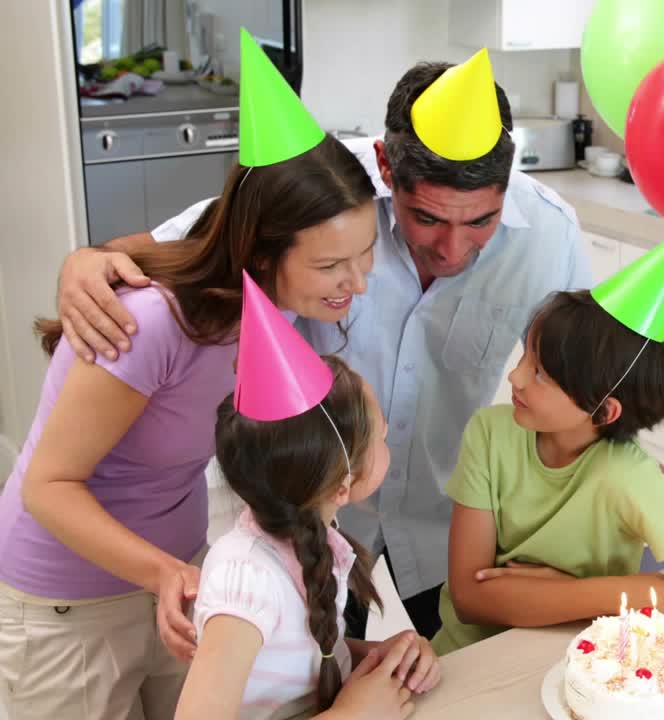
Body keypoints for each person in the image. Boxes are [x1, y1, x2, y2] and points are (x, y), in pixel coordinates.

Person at [54, 49, 591, 641]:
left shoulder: (549, 234)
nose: (454, 250)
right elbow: (182, 247)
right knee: (310, 668)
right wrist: (85, 261)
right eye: (429, 219)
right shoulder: (327, 194)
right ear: (386, 166)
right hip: (306, 521)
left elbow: (581, 381)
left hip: (442, 521)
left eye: (482, 222)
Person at [0, 31, 377, 720]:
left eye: (365, 253)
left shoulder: (274, 306)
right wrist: (162, 571)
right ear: (262, 249)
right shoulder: (150, 325)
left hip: (174, 581)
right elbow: (46, 487)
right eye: (330, 266)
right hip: (69, 601)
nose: (355, 282)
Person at [433, 225, 664, 655]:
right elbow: (471, 601)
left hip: (574, 662)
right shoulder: (489, 434)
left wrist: (573, 591)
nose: (515, 376)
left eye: (540, 372)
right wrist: (629, 595)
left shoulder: (632, 477)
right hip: (468, 656)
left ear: (603, 411)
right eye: (525, 356)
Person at [176, 279, 436, 720]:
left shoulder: (313, 538)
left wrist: (376, 656)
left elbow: (296, 661)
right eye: (380, 434)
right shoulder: (246, 579)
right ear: (341, 485)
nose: (389, 433)